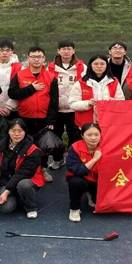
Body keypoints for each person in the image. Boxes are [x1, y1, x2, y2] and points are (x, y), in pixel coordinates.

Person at [8, 46, 59, 182]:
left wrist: (51, 121)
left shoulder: (50, 77)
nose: (36, 60)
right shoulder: (20, 75)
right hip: (25, 117)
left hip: (43, 118)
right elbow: (12, 94)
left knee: (42, 146)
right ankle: (24, 170)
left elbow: (54, 101)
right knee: (25, 145)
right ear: (28, 58)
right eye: (33, 57)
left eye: (39, 57)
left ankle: (43, 169)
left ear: (44, 59)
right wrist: (31, 88)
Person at [47, 39, 86, 168]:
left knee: (74, 136)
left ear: (74, 51)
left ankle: (73, 159)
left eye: (69, 48)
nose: (66, 51)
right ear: (58, 51)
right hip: (56, 108)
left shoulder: (82, 67)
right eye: (63, 49)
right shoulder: (50, 67)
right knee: (56, 135)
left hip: (74, 108)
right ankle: (58, 159)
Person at [0, 118, 45, 219]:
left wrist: (6, 192)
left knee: (24, 185)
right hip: (6, 180)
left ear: (25, 132)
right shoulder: (0, 145)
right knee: (5, 209)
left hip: (25, 179)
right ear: (8, 131)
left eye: (20, 131)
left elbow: (22, 173)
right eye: (13, 130)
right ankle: (19, 198)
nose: (16, 134)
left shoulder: (33, 150)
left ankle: (30, 207)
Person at [69, 54, 124, 127]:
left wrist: (113, 102)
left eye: (102, 64)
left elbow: (122, 103)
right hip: (86, 125)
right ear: (90, 65)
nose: (99, 66)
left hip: (109, 123)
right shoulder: (81, 83)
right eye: (96, 64)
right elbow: (72, 104)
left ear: (107, 65)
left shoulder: (114, 82)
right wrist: (88, 103)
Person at [66, 123, 103, 222]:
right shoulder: (74, 148)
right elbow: (78, 171)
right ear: (82, 135)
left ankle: (92, 194)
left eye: (96, 134)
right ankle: (74, 208)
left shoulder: (106, 146)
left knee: (99, 202)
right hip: (82, 178)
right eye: (89, 135)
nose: (93, 138)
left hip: (98, 180)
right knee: (76, 182)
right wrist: (94, 159)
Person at [0, 39, 21, 119]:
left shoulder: (19, 68)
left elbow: (21, 89)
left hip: (14, 110)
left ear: (12, 52)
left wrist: (9, 107)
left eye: (8, 50)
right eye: (1, 50)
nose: (5, 53)